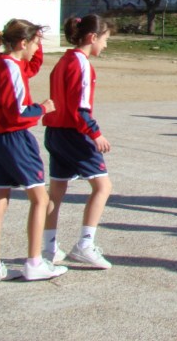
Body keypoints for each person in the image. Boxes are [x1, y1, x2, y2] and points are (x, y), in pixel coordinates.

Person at [0, 19, 67, 284]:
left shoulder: (0, 61)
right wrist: (42, 108)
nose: (37, 48)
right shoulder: (13, 70)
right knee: (40, 199)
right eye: (36, 43)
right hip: (15, 138)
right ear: (22, 43)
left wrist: (37, 39)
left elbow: (32, 65)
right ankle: (34, 261)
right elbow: (18, 111)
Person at [43, 15, 114, 269]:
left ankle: (49, 247)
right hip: (74, 133)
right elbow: (80, 108)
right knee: (103, 187)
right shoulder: (81, 64)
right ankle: (85, 244)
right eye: (105, 40)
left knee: (57, 190)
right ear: (92, 37)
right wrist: (95, 133)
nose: (105, 46)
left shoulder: (63, 60)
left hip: (55, 131)